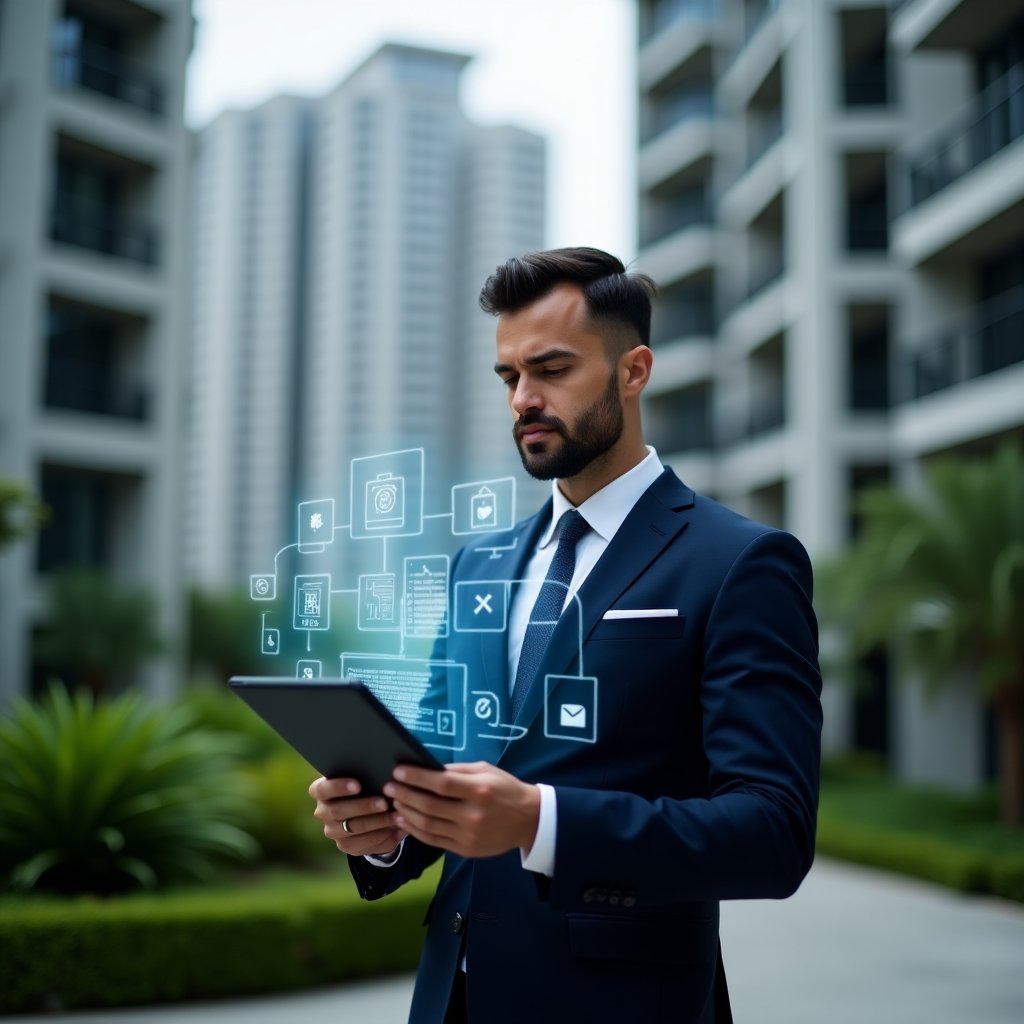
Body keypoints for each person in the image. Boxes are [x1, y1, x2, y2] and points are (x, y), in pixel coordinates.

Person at [309, 247, 823, 1023]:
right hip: (454, 998)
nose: (524, 398)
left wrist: (542, 821)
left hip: (625, 1004)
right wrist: (384, 831)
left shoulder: (742, 562)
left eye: (551, 370)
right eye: (510, 377)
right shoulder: (476, 564)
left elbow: (773, 831)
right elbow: (454, 764)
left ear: (634, 370)